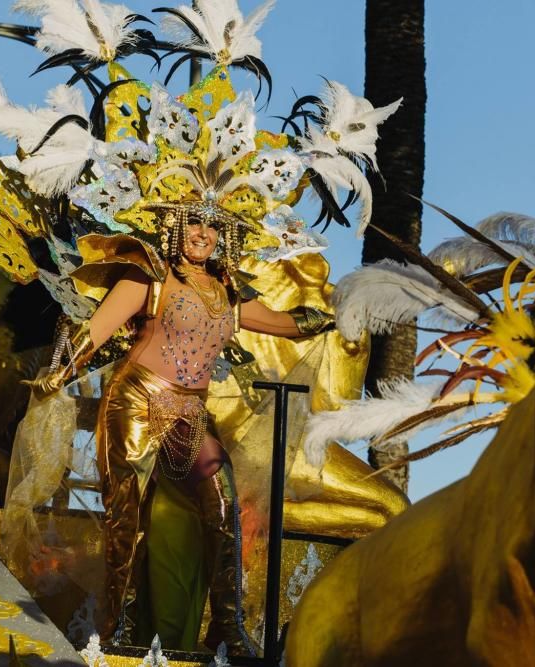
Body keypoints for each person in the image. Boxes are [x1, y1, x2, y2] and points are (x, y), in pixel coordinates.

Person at [25, 202, 333, 653]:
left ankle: (229, 628)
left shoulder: (227, 292)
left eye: (214, 226)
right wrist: (60, 370)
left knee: (223, 506)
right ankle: (121, 629)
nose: (204, 233)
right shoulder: (147, 275)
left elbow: (283, 325)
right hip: (137, 400)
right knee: (126, 516)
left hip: (190, 412)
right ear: (174, 227)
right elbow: (97, 329)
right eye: (195, 222)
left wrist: (336, 315)